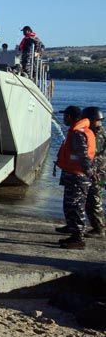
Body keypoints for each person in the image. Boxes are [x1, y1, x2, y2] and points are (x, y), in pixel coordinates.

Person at [55, 106, 95, 249]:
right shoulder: (76, 131)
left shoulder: (78, 134)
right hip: (73, 175)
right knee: (70, 206)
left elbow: (83, 157)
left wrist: (88, 174)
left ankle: (78, 239)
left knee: (76, 207)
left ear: (71, 117)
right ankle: (73, 234)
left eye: (65, 115)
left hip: (78, 177)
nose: (63, 118)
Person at [82, 107, 105, 238]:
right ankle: (97, 226)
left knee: (94, 200)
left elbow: (95, 156)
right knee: (93, 199)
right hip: (100, 171)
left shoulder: (96, 134)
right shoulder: (102, 132)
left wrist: (93, 171)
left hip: (97, 173)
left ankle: (99, 228)